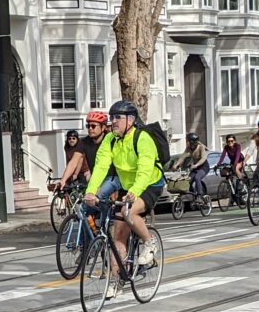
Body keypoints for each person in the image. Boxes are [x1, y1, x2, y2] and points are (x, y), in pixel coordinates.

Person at [83, 101, 165, 298]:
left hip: (149, 185)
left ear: (130, 120)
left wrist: (135, 192)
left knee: (128, 211)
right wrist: (91, 192)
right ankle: (117, 280)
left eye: (117, 118)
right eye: (112, 118)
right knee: (118, 235)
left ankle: (149, 242)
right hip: (127, 186)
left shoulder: (142, 139)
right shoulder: (111, 139)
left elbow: (145, 172)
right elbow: (101, 166)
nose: (113, 122)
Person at [54, 111, 108, 195]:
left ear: (103, 127)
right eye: (88, 126)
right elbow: (73, 162)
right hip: (95, 178)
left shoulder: (111, 140)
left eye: (93, 126)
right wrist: (63, 180)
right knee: (87, 205)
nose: (90, 128)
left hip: (112, 179)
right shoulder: (84, 142)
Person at [176, 132, 211, 198]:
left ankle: (199, 195)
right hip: (195, 167)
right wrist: (176, 164)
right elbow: (183, 157)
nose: (188, 143)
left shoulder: (201, 147)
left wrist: (196, 165)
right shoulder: (188, 148)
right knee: (188, 180)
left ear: (194, 142)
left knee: (197, 177)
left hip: (204, 167)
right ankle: (193, 194)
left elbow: (203, 158)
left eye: (189, 142)